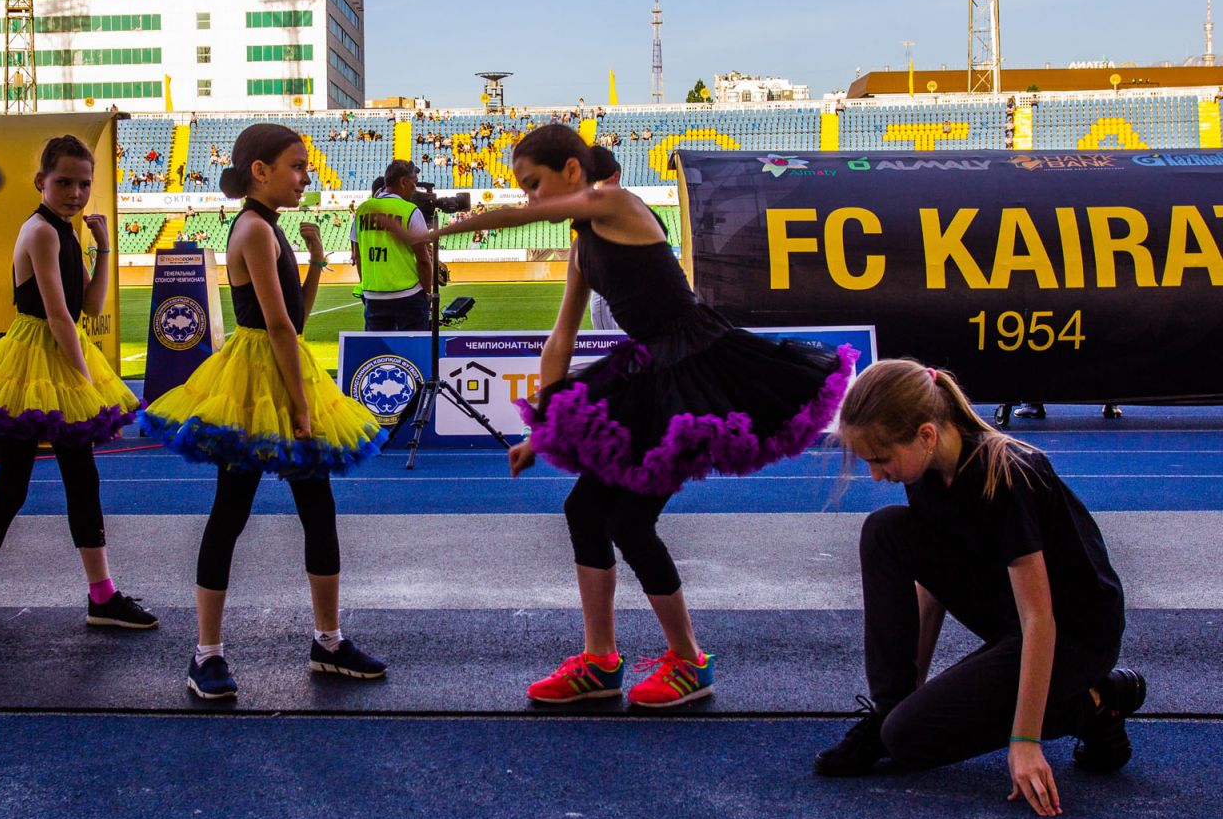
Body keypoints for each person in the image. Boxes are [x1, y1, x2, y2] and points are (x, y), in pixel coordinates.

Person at [395, 123, 855, 708]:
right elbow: (560, 339)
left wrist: (438, 231)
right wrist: (542, 430)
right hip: (649, 371)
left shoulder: (616, 203)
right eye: (525, 188)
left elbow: (515, 217)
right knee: (586, 510)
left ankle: (688, 661)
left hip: (695, 367)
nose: (532, 198)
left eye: (535, 184)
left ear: (572, 170)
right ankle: (600, 661)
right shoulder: (583, 245)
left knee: (630, 522)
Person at [814, 359, 1145, 817]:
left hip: (1075, 633)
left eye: (881, 459)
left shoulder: (1006, 475)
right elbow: (935, 584)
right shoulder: (926, 472)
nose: (875, 474)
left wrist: (1025, 740)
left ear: (926, 435)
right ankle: (885, 715)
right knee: (884, 530)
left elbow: (1039, 617)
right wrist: (905, 696)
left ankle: (1097, 702)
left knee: (908, 740)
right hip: (1014, 612)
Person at [143, 123, 387, 701]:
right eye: (296, 166)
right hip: (258, 379)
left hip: (277, 366)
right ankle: (207, 653)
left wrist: (318, 261)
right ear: (260, 170)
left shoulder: (268, 226)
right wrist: (301, 407)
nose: (305, 177)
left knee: (315, 510)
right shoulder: (254, 228)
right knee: (233, 512)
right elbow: (277, 326)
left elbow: (294, 319)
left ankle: (327, 642)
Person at [0, 135, 153, 641]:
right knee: (11, 487)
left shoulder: (64, 230)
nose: (76, 193)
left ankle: (101, 595)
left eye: (84, 184)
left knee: (83, 480)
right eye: (64, 183)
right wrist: (86, 387)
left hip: (60, 352)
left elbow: (91, 307)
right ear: (41, 181)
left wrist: (104, 246)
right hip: (34, 361)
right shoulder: (40, 231)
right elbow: (58, 316)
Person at [351, 159, 433, 332]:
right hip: (409, 295)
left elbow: (357, 256)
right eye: (414, 182)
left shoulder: (363, 210)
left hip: (373, 296)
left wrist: (367, 285)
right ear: (403, 182)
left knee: (378, 348)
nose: (415, 188)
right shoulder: (410, 210)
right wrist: (427, 292)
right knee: (414, 348)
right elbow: (423, 259)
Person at [584, 146, 623, 333]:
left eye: (596, 180)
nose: (594, 185)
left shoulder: (612, 204)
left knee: (606, 337)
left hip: (610, 280)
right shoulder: (629, 203)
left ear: (614, 177)